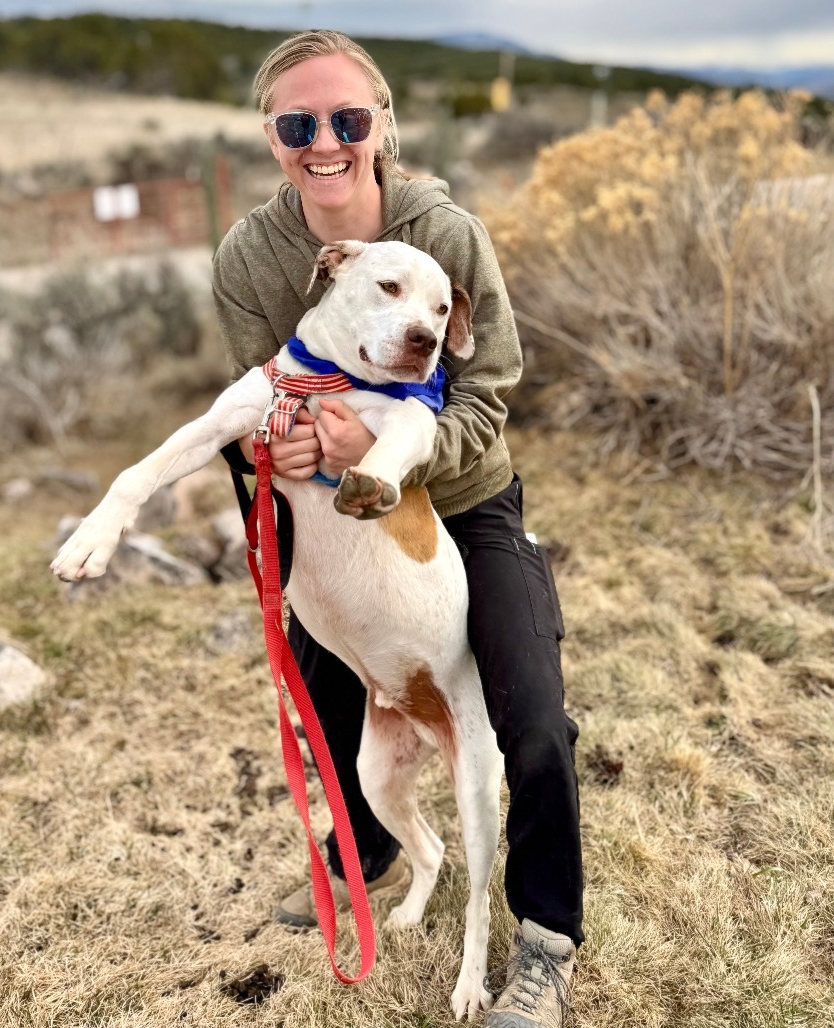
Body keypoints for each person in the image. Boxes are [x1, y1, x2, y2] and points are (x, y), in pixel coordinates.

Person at [213, 30, 582, 1028]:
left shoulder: (443, 232)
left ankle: (544, 938)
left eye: (347, 119)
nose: (324, 141)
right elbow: (254, 407)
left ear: (382, 122)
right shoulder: (251, 255)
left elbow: (489, 394)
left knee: (529, 708)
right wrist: (274, 455)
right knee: (323, 692)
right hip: (331, 507)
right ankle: (367, 854)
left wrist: (384, 458)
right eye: (298, 124)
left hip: (460, 492)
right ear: (271, 136)